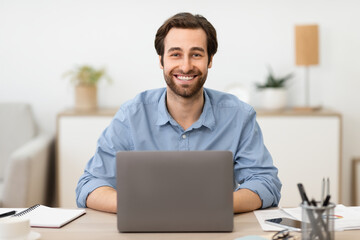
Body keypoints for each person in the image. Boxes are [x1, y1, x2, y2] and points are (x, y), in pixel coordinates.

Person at [76, 12, 281, 213]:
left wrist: (212, 205)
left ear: (209, 60)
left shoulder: (239, 115)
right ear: (161, 61)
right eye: (175, 54)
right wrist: (144, 207)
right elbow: (90, 185)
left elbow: (265, 183)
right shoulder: (131, 115)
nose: (185, 66)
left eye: (196, 54)